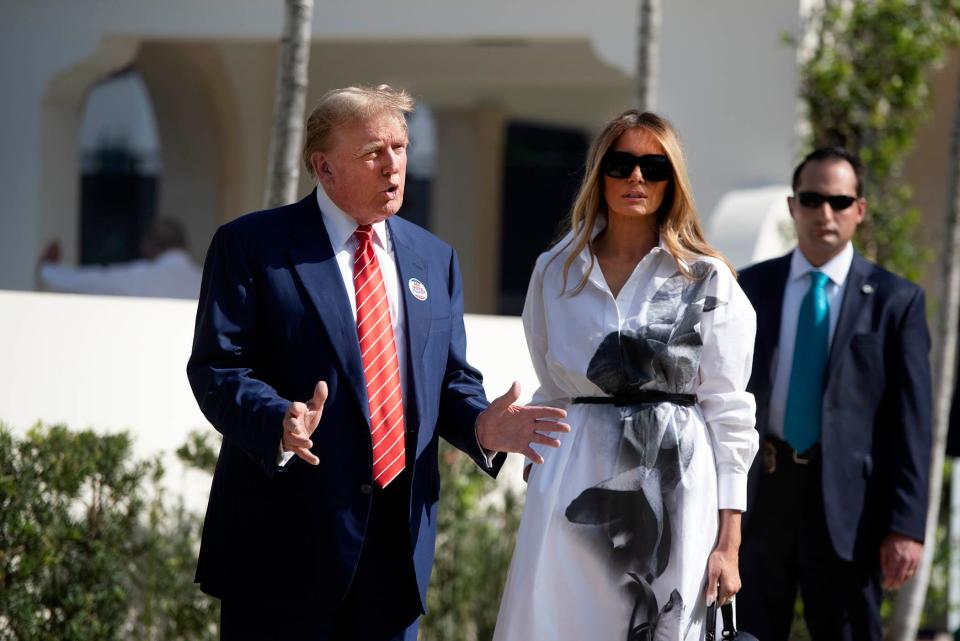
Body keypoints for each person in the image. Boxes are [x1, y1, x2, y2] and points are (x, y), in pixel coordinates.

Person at [185, 85, 569, 641]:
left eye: (401, 147)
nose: (394, 166)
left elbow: (449, 380)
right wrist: (276, 420)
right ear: (324, 166)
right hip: (282, 553)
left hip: (394, 558)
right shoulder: (253, 245)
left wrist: (483, 425)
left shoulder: (434, 259)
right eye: (373, 153)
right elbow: (218, 367)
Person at [492, 110, 759, 641]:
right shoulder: (556, 269)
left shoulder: (708, 278)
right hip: (571, 479)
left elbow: (730, 412)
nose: (636, 178)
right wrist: (535, 456)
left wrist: (729, 544)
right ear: (600, 174)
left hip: (676, 487)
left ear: (671, 180)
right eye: (621, 164)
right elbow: (552, 380)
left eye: (653, 167)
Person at [737, 147, 932, 641]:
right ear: (792, 206)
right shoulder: (751, 287)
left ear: (859, 210)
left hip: (849, 507)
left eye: (840, 202)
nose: (825, 213)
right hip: (763, 492)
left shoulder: (895, 301)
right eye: (812, 198)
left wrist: (905, 526)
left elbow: (912, 423)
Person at [36, 217, 202, 298]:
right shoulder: (208, 282)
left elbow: (95, 282)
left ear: (148, 247)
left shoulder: (142, 277)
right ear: (186, 246)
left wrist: (49, 270)